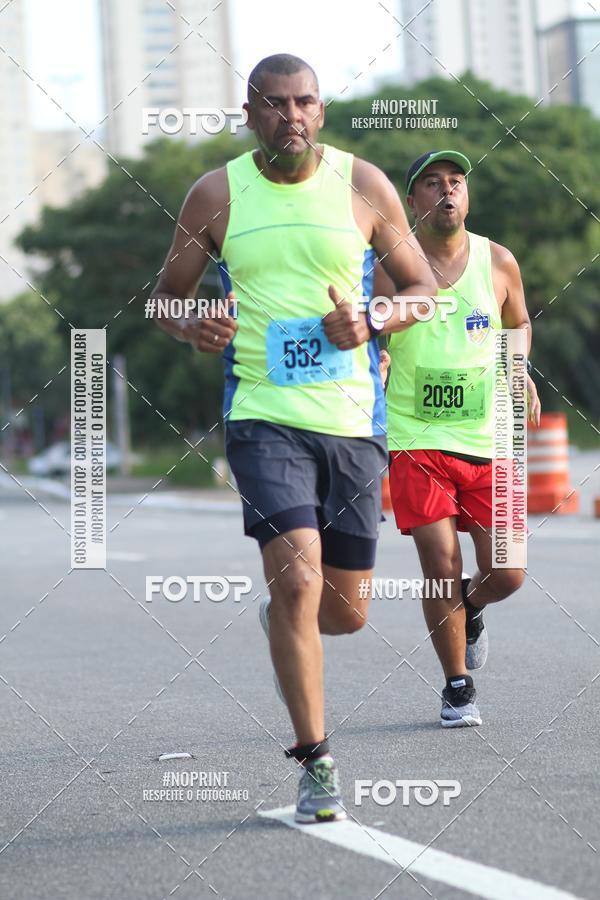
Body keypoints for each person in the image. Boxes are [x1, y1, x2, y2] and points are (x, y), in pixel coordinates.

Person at [152, 55, 437, 822]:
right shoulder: (215, 195)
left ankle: (285, 618)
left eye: (305, 102)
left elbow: (424, 293)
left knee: (343, 612)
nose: (292, 117)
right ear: (250, 114)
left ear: (321, 109)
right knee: (300, 583)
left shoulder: (365, 186)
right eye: (275, 105)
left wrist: (372, 318)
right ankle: (315, 759)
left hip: (352, 424)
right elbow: (164, 299)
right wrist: (192, 326)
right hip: (262, 418)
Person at [375, 150, 541, 728]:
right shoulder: (390, 266)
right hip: (415, 438)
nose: (448, 191)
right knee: (439, 562)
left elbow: (518, 323)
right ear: (412, 199)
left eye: (457, 182)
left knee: (509, 571)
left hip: (488, 435)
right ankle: (457, 686)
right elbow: (369, 330)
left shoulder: (497, 261)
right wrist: (376, 363)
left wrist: (516, 366)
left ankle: (468, 609)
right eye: (433, 183)